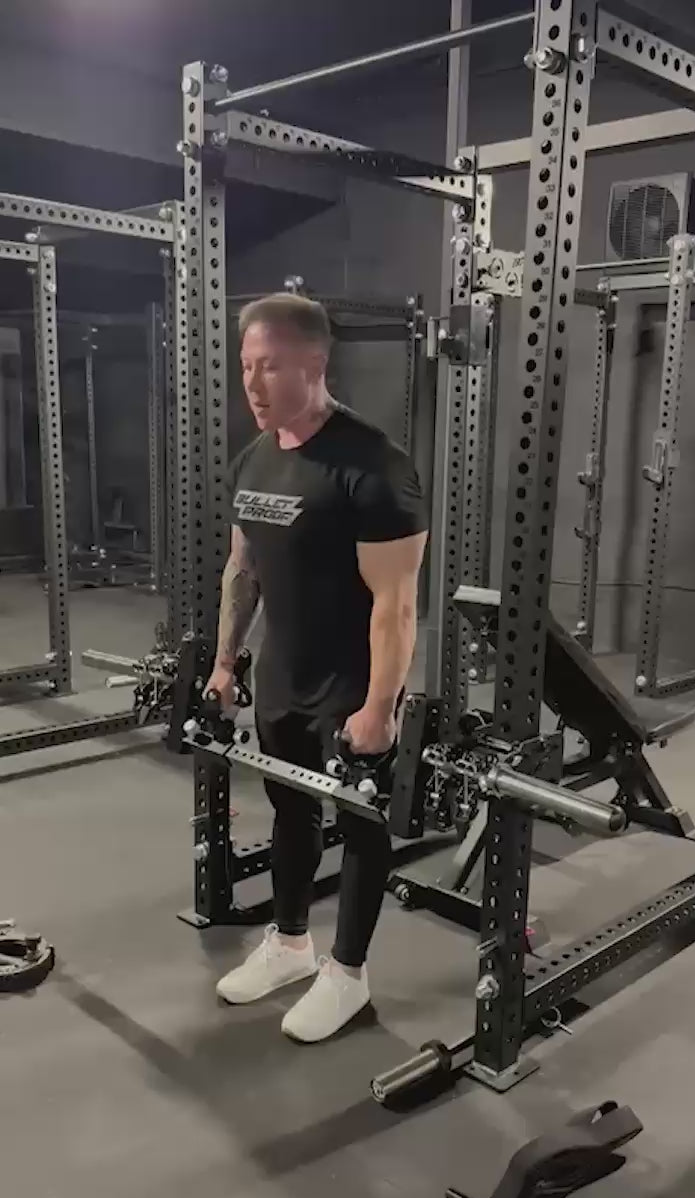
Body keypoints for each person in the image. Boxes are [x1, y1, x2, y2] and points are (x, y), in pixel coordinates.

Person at [206, 292, 428, 1043]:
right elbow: (242, 570)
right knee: (289, 810)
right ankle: (292, 943)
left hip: (349, 683)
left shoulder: (375, 467)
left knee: (360, 824)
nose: (253, 384)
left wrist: (379, 706)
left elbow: (396, 603)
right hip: (282, 675)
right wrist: (225, 664)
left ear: (316, 362)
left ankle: (347, 975)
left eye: (270, 366)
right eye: (246, 366)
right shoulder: (254, 458)